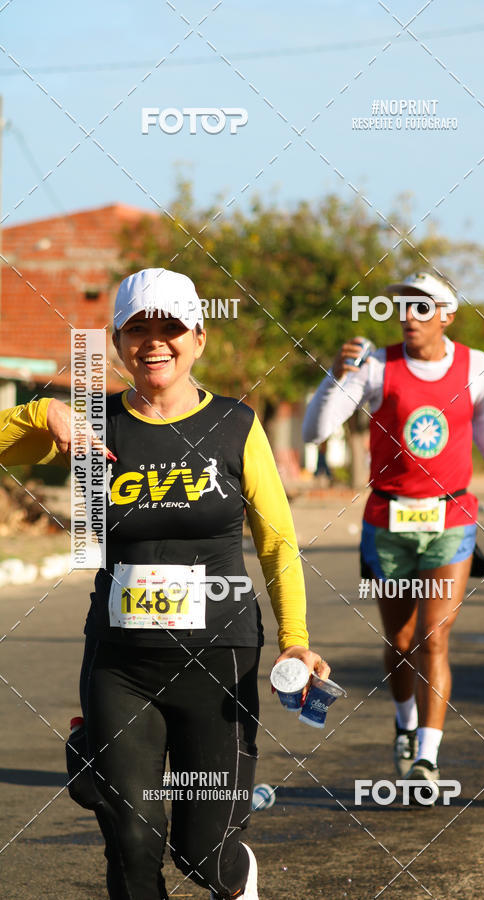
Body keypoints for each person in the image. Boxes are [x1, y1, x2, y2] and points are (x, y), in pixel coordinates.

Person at [0, 267, 330, 899]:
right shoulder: (92, 423)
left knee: (204, 854)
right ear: (117, 341)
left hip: (218, 662)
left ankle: (238, 876)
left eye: (170, 327)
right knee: (131, 841)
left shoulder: (236, 425)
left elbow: (276, 540)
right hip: (121, 666)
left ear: (198, 339)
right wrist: (43, 413)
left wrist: (295, 638)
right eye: (137, 328)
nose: (154, 341)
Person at [303, 272, 484, 789]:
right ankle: (405, 723)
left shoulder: (477, 365)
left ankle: (428, 758)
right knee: (401, 640)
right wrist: (336, 374)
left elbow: (483, 430)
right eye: (402, 307)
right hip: (387, 519)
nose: (408, 316)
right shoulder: (376, 365)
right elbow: (315, 432)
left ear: (447, 315)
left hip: (450, 518)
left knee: (434, 638)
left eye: (421, 307)